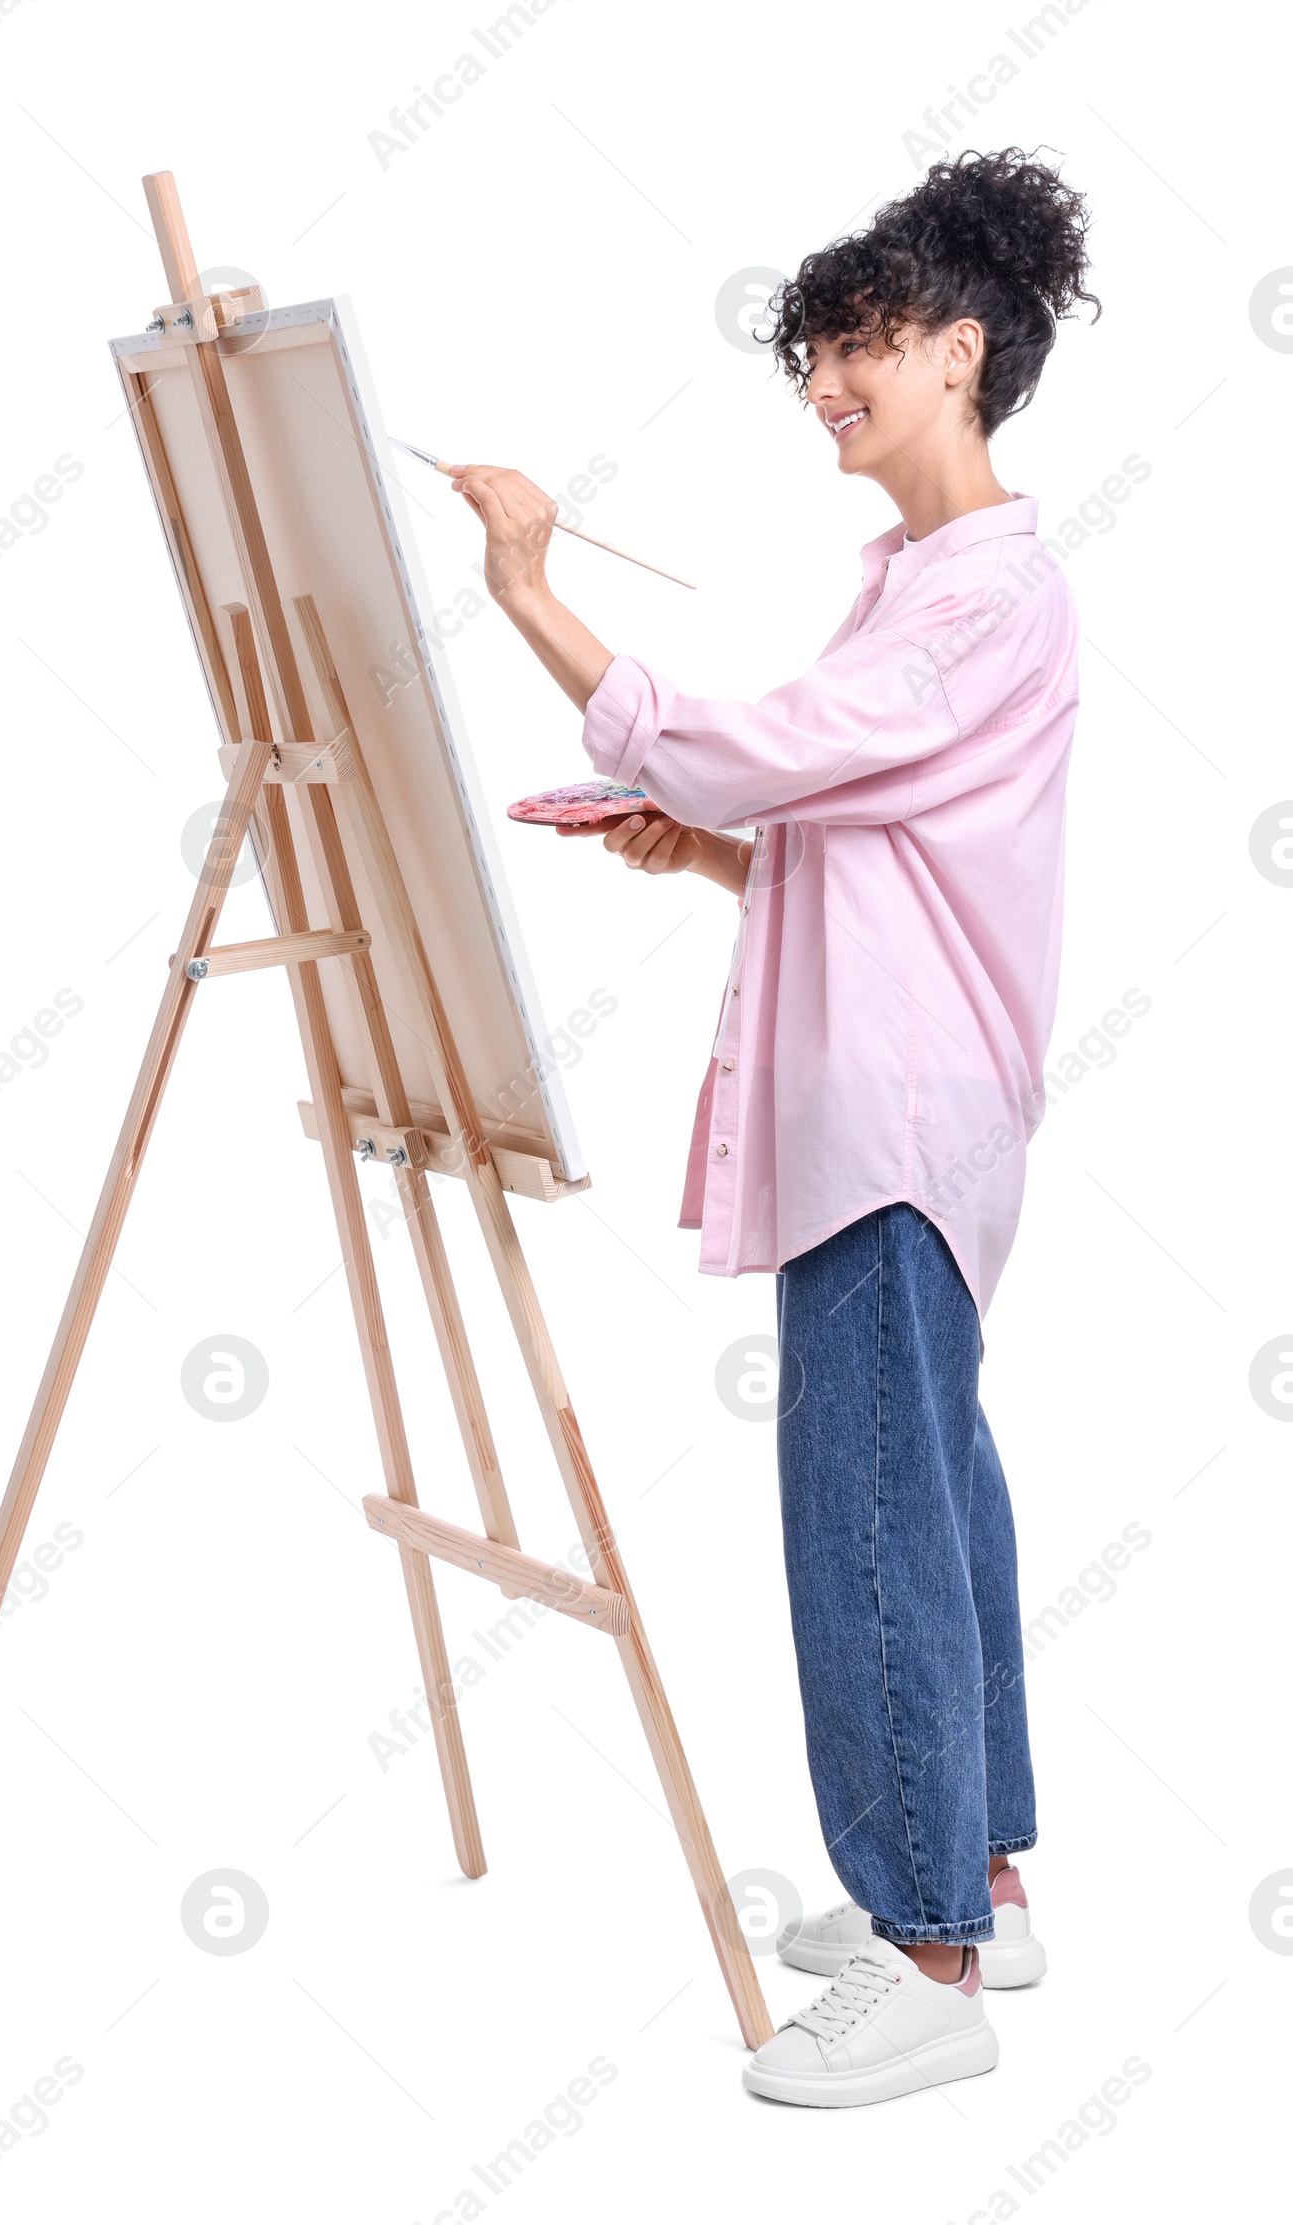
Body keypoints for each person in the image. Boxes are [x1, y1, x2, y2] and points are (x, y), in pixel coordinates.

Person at [447, 146, 1100, 2107]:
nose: (822, 378)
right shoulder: (913, 586)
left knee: (868, 1523)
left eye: (857, 345)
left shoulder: (980, 593)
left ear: (959, 353)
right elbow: (866, 842)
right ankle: (967, 1874)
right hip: (897, 1098)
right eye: (809, 349)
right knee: (929, 1484)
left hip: (888, 1121)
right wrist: (717, 863)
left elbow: (766, 752)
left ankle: (921, 1968)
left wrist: (527, 592)